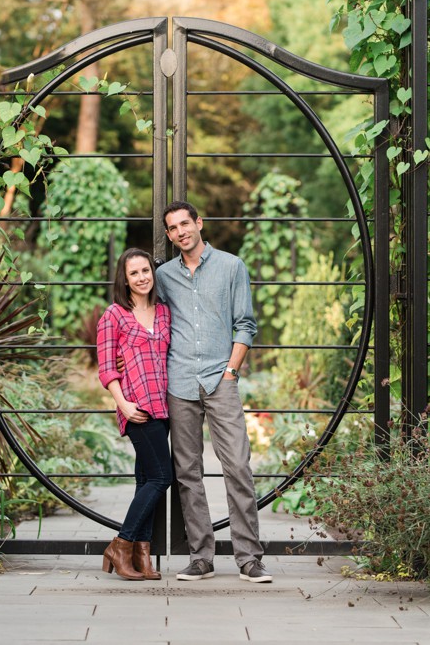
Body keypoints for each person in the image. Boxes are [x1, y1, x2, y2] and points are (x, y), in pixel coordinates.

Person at [155, 200, 272, 583]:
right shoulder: (164, 276)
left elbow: (246, 324)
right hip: (180, 381)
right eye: (173, 228)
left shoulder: (231, 267)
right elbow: (146, 320)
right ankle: (201, 556)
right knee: (187, 471)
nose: (181, 232)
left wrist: (231, 371)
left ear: (199, 223)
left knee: (237, 464)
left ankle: (249, 558)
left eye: (185, 224)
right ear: (170, 235)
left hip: (221, 378)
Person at [96, 247, 173, 581]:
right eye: (134, 273)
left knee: (145, 478)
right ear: (124, 280)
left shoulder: (165, 312)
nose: (142, 277)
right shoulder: (114, 315)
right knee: (161, 477)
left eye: (146, 271)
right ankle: (121, 544)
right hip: (136, 407)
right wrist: (123, 404)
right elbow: (105, 367)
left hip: (164, 406)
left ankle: (143, 557)